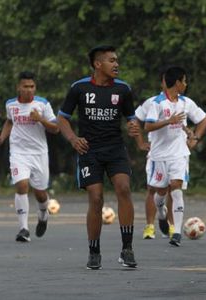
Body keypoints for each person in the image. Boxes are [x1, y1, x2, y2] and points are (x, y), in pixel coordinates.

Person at [57, 45, 137, 270]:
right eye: (112, 60)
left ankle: (127, 249)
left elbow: (131, 118)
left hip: (115, 148)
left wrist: (134, 127)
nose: (116, 64)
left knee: (123, 188)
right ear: (97, 64)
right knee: (96, 198)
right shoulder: (79, 88)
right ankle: (94, 251)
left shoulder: (123, 89)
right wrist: (74, 139)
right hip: (89, 151)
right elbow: (62, 119)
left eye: (117, 60)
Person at [144, 66, 206, 247]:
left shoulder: (186, 102)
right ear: (178, 82)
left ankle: (177, 233)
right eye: (185, 81)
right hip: (159, 155)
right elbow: (147, 127)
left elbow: (204, 120)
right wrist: (168, 121)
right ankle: (161, 212)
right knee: (160, 193)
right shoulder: (157, 103)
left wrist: (194, 138)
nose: (186, 85)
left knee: (176, 187)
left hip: (179, 154)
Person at [0, 71, 59, 242]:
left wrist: (40, 119)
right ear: (18, 87)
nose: (29, 90)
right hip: (18, 153)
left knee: (40, 194)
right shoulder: (10, 104)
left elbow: (55, 128)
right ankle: (23, 229)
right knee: (22, 185)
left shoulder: (42, 104)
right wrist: (2, 137)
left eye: (32, 86)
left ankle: (43, 216)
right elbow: (9, 121)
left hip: (39, 154)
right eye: (25, 86)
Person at [128, 71, 175, 240]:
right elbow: (134, 119)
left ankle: (171, 225)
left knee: (172, 189)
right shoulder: (152, 102)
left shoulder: (182, 102)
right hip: (156, 153)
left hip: (176, 154)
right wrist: (140, 142)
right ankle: (149, 226)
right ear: (162, 84)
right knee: (152, 188)